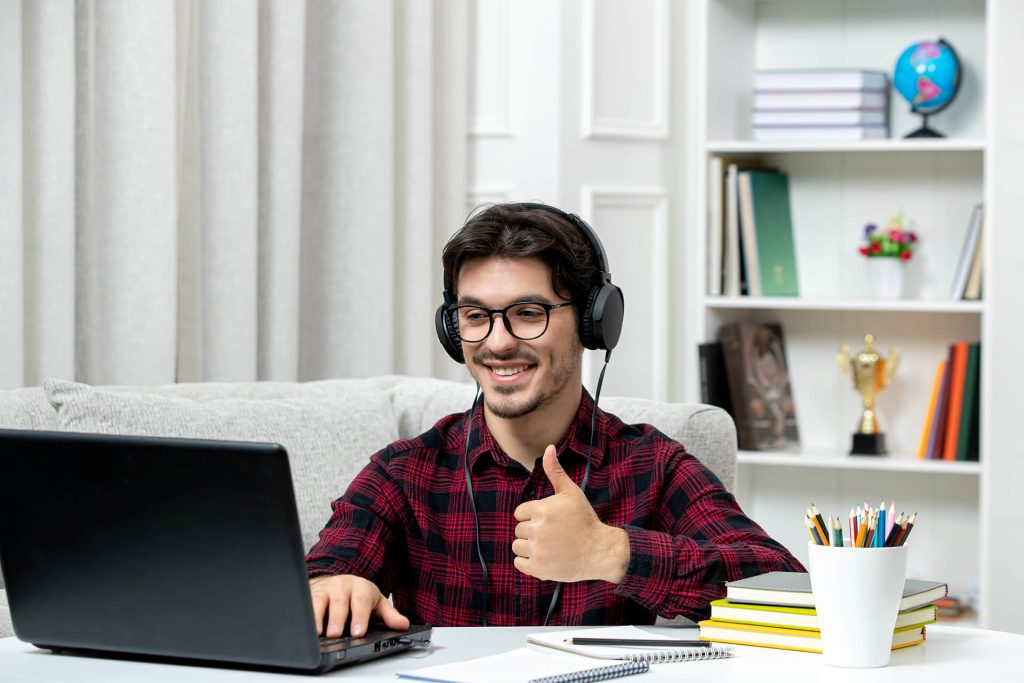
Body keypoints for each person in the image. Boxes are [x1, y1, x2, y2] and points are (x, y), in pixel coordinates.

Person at [306, 202, 804, 639]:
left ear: (594, 322)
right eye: (475, 316)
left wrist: (612, 552)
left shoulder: (651, 465)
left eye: (527, 312)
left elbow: (788, 593)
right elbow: (321, 578)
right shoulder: (405, 472)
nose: (497, 342)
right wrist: (331, 590)